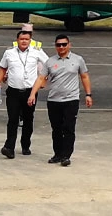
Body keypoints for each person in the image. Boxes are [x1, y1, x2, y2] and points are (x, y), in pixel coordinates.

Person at [28, 34, 92, 167]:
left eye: (64, 44)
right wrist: (32, 94)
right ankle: (57, 154)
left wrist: (88, 94)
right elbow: (41, 78)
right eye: (58, 45)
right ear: (55, 46)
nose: (61, 47)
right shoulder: (50, 62)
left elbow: (84, 77)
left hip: (71, 100)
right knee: (56, 129)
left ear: (69, 45)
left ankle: (66, 156)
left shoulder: (78, 60)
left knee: (68, 128)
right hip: (54, 101)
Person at [0, 29, 48, 159]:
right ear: (17, 40)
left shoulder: (36, 52)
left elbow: (48, 65)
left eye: (26, 39)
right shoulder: (9, 53)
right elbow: (2, 67)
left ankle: (25, 145)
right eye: (21, 39)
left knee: (28, 119)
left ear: (30, 40)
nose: (24, 41)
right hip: (13, 91)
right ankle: (9, 147)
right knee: (13, 119)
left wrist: (43, 80)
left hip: (30, 92)